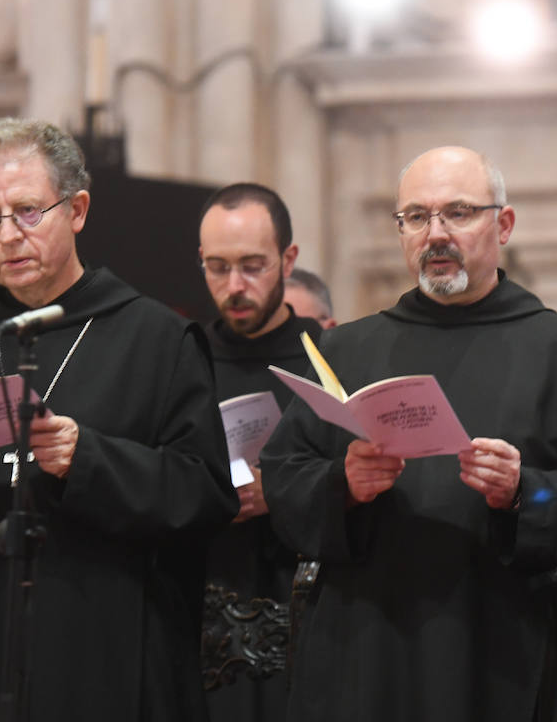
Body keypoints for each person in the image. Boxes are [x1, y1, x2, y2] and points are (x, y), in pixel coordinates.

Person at [0, 117, 237, 722]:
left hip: (98, 645)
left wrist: (91, 460)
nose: (7, 235)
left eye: (28, 211)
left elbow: (206, 495)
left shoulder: (158, 339)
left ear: (76, 209)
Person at [260, 145, 557, 721]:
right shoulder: (346, 350)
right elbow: (284, 478)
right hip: (368, 645)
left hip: (506, 643)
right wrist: (343, 485)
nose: (435, 234)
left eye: (458, 212)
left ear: (503, 223)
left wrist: (524, 491)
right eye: (416, 217)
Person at [198, 182, 323, 722]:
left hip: (306, 612)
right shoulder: (182, 359)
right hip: (200, 615)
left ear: (288, 259)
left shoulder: (330, 358)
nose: (235, 286)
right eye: (217, 268)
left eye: (252, 266)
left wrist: (285, 489)